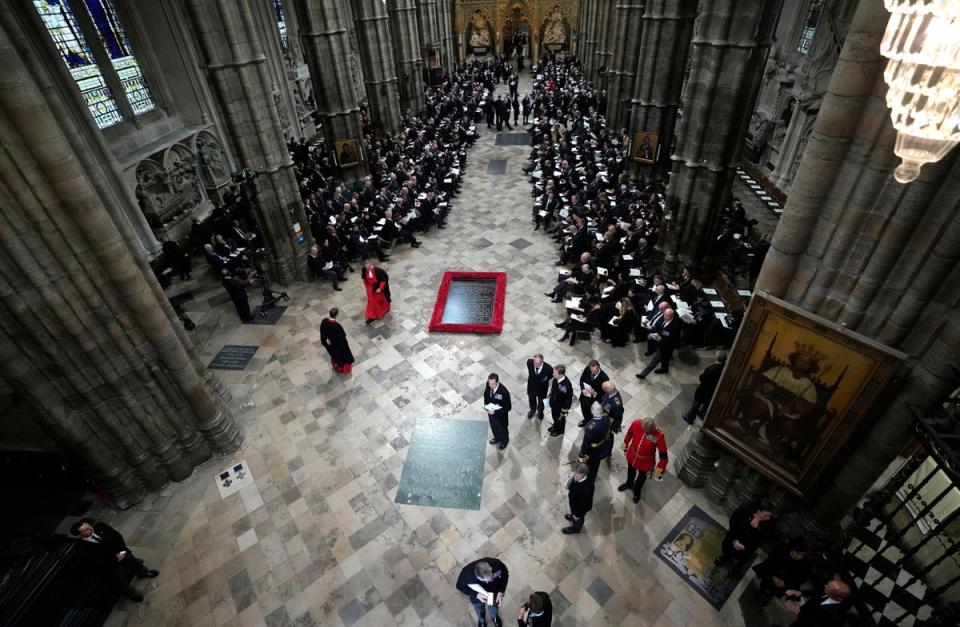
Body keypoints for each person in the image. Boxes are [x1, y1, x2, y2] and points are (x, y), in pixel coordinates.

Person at [70, 518, 158, 602]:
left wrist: (122, 551)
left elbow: (117, 537)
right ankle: (131, 593)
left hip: (120, 552)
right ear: (80, 535)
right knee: (118, 580)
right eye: (86, 530)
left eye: (88, 525)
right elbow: (96, 562)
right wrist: (115, 559)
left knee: (130, 559)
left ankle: (143, 572)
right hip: (109, 566)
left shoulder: (100, 527)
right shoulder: (81, 549)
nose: (90, 528)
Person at [619, 417, 668, 503]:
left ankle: (637, 492)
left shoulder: (659, 435)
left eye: (647, 431)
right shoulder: (636, 423)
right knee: (630, 471)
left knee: (641, 478)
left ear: (652, 428)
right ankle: (629, 484)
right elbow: (629, 434)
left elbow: (664, 457)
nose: (645, 432)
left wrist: (658, 472)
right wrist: (625, 446)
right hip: (632, 455)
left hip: (646, 462)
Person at [715, 500, 776, 568]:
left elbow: (761, 540)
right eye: (765, 516)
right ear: (759, 511)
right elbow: (733, 523)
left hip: (749, 543)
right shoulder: (745, 510)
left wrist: (746, 547)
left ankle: (736, 569)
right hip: (735, 536)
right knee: (728, 547)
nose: (768, 518)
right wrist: (735, 540)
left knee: (745, 557)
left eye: (769, 516)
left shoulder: (769, 523)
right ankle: (725, 557)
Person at [752, 538, 812, 605]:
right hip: (771, 575)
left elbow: (802, 578)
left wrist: (785, 583)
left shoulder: (805, 563)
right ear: (792, 548)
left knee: (774, 591)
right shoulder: (782, 550)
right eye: (797, 553)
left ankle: (767, 597)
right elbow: (770, 561)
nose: (800, 557)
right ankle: (761, 591)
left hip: (784, 583)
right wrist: (773, 576)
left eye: (802, 555)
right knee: (765, 584)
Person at [456, 557, 510, 627]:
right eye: (485, 580)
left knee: (493, 606)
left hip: (492, 592)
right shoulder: (466, 574)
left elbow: (505, 573)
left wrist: (501, 591)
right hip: (478, 596)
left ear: (490, 568)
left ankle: (495, 617)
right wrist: (476, 594)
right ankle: (482, 621)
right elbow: (459, 586)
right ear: (478, 577)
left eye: (491, 578)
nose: (488, 582)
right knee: (479, 608)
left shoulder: (496, 564)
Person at [786, 579, 852, 627]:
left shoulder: (837, 615)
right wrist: (801, 593)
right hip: (804, 614)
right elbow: (816, 591)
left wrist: (799, 612)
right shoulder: (831, 592)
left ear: (835, 595)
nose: (825, 585)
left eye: (828, 587)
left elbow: (815, 624)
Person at [683, 352, 726, 424]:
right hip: (713, 390)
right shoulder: (724, 367)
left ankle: (689, 417)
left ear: (717, 357)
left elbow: (702, 378)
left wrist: (701, 376)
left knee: (696, 403)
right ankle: (702, 414)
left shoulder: (711, 370)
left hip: (704, 390)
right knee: (706, 403)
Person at [636, 308, 678, 379]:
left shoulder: (675, 327)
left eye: (667, 316)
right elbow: (660, 328)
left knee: (655, 361)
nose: (664, 317)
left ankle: (643, 374)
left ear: (672, 316)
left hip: (666, 347)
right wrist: (652, 328)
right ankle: (664, 369)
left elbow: (674, 341)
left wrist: (661, 339)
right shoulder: (664, 319)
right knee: (665, 359)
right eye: (664, 315)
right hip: (660, 343)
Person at [579, 402, 612, 482]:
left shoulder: (590, 427)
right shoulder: (606, 419)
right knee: (596, 465)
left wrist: (582, 454)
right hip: (602, 446)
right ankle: (593, 478)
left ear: (593, 411)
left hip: (592, 451)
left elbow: (586, 443)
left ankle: (588, 479)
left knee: (589, 465)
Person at [563, 462, 594, 534]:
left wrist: (578, 515)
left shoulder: (586, 489)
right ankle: (573, 516)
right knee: (574, 513)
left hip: (579, 510)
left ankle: (575, 529)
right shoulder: (577, 478)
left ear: (584, 475)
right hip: (574, 503)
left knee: (578, 519)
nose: (575, 477)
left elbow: (584, 505)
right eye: (574, 474)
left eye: (577, 476)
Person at [320, 307, 354, 373]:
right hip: (337, 345)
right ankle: (341, 366)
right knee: (341, 355)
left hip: (329, 344)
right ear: (336, 315)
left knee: (333, 354)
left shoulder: (324, 321)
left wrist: (326, 340)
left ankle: (336, 363)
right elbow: (343, 336)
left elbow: (322, 332)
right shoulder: (337, 326)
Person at [484, 373, 512, 450]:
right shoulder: (489, 384)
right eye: (489, 383)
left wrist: (495, 412)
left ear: (497, 382)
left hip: (501, 417)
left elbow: (508, 407)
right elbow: (486, 395)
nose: (491, 386)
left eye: (493, 384)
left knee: (502, 429)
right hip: (491, 414)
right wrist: (486, 406)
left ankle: (504, 441)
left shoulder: (504, 392)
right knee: (494, 427)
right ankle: (497, 438)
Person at [577, 360, 609, 427]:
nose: (592, 373)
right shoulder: (587, 369)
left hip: (594, 401)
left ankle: (591, 423)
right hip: (585, 396)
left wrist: (595, 393)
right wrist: (582, 389)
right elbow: (582, 379)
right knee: (584, 409)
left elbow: (604, 393)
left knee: (592, 414)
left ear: (599, 367)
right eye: (591, 371)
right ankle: (586, 420)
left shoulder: (604, 378)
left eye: (594, 371)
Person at [547, 365, 573, 436]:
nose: (553, 374)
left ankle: (560, 431)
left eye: (554, 373)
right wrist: (550, 396)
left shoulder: (567, 386)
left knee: (560, 420)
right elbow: (553, 389)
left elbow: (567, 401)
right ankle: (555, 426)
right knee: (554, 417)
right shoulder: (556, 379)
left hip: (560, 408)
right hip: (554, 404)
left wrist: (563, 412)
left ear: (560, 374)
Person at [526, 354, 554, 419]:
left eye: (538, 363)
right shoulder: (529, 362)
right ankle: (532, 410)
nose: (536, 364)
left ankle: (540, 412)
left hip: (542, 389)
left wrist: (546, 378)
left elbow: (552, 375)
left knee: (541, 403)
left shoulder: (548, 368)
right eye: (535, 362)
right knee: (531, 400)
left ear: (542, 361)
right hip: (531, 387)